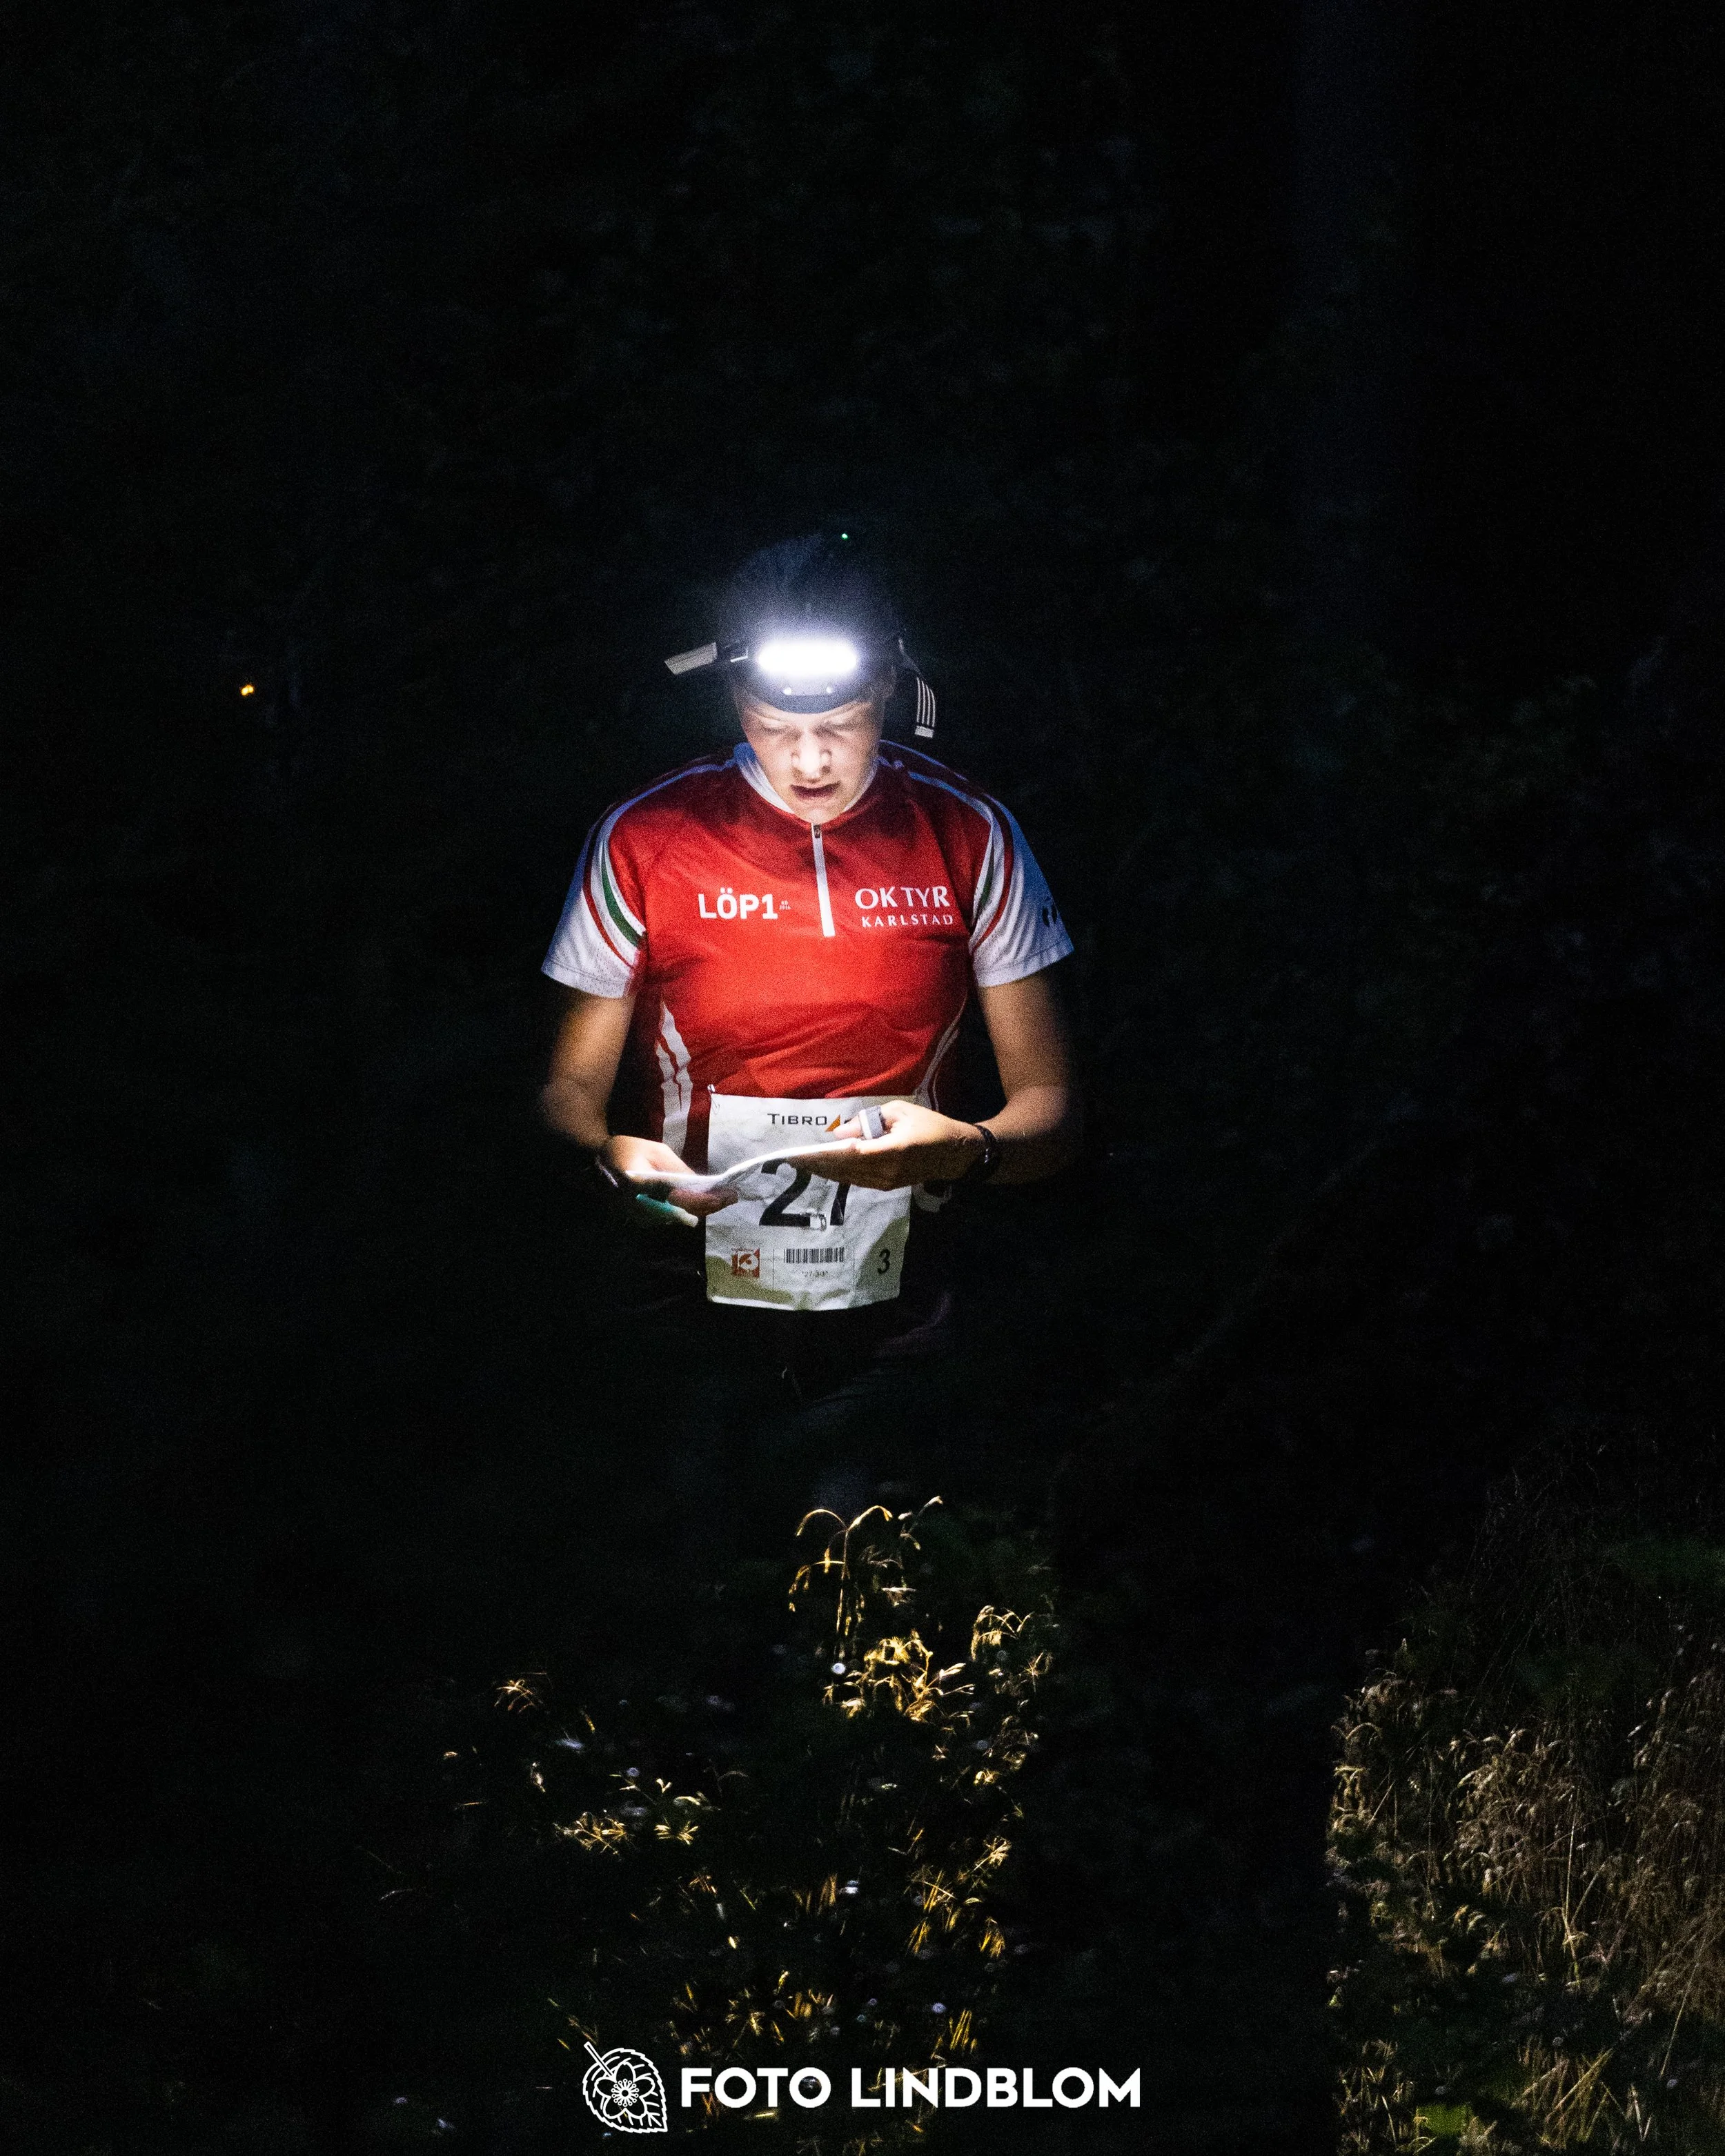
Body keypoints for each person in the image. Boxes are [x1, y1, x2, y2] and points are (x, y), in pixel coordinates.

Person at [540, 533, 1078, 1421]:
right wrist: (608, 1159)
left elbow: (1051, 1112)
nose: (810, 761)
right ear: (732, 699)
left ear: (892, 690)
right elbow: (564, 1089)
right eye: (773, 727)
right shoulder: (646, 835)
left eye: (841, 725)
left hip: (909, 1301)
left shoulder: (970, 831)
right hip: (688, 1294)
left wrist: (962, 1150)